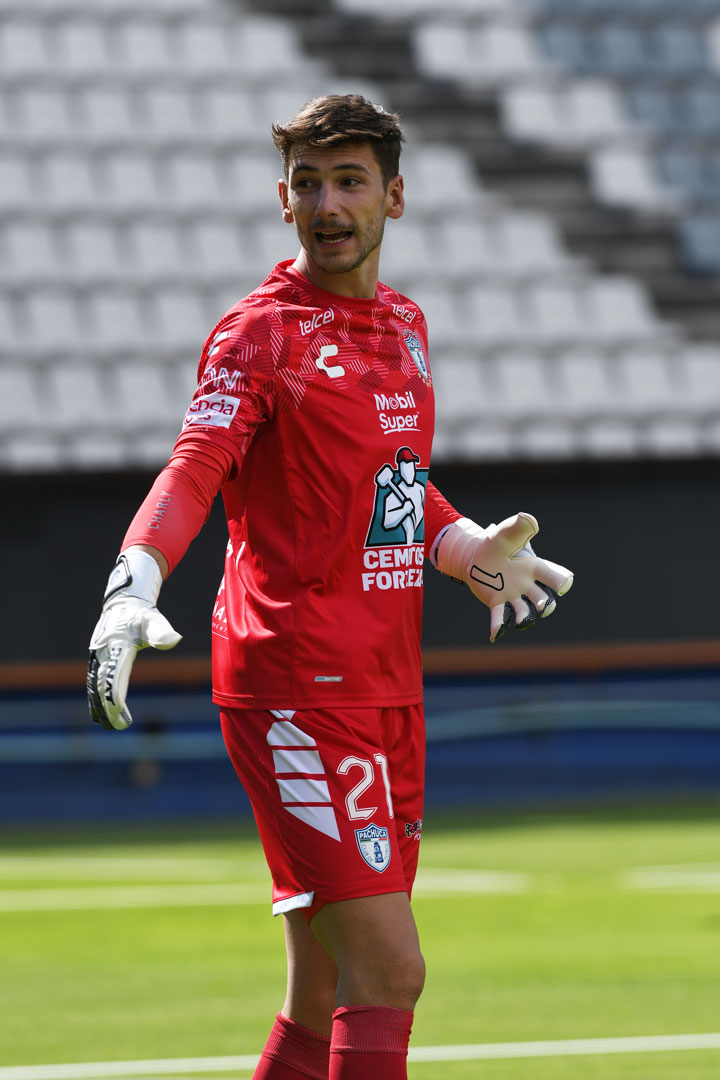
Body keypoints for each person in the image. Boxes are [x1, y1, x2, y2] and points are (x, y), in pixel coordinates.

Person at [87, 94, 573, 1080]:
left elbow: (392, 483)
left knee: (325, 990)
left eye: (350, 181)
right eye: (307, 184)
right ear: (284, 201)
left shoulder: (406, 326)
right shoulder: (260, 335)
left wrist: (466, 549)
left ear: (395, 196)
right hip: (297, 686)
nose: (327, 205)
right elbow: (195, 468)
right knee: (390, 970)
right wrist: (134, 580)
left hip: (387, 687)